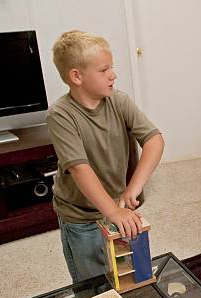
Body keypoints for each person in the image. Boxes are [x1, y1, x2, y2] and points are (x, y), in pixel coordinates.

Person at [48, 30, 165, 283]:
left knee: (127, 276)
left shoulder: (119, 100)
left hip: (117, 206)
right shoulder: (60, 115)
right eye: (103, 70)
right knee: (92, 285)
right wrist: (113, 212)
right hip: (80, 217)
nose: (113, 74)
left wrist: (134, 187)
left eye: (111, 67)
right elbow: (80, 169)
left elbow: (154, 140)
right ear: (76, 76)